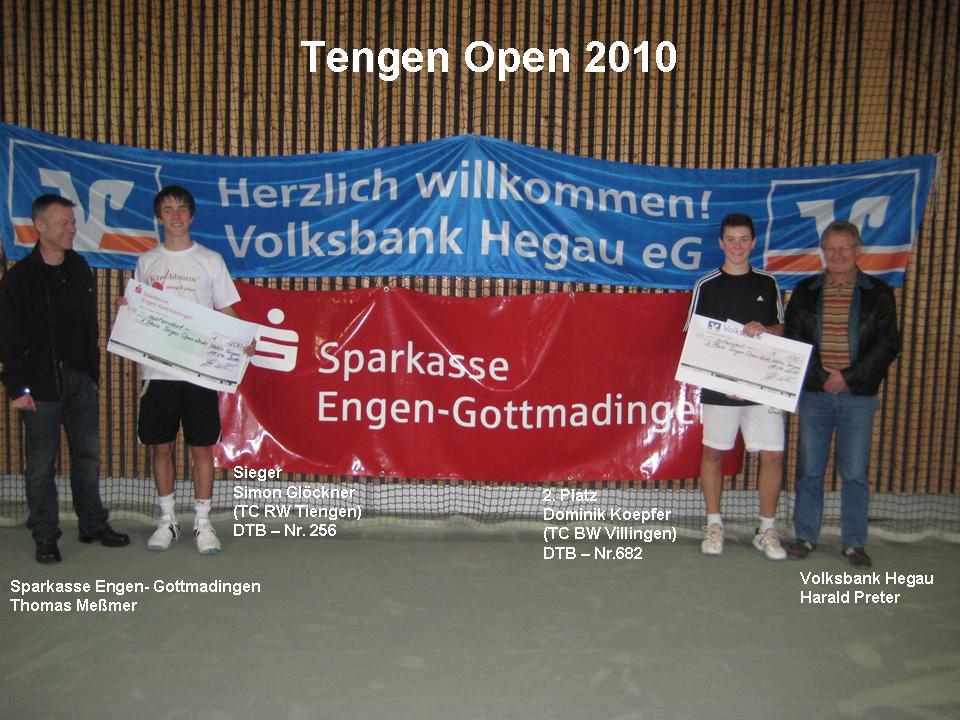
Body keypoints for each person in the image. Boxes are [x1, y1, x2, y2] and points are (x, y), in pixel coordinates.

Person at [0, 194, 130, 563]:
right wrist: (16, 387)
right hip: (39, 386)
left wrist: (92, 373)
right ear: (40, 226)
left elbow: (89, 325)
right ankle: (45, 535)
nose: (72, 229)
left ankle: (93, 524)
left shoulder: (79, 268)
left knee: (88, 455)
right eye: (64, 223)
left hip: (80, 381)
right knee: (41, 464)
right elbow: (8, 337)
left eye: (73, 222)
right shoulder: (19, 279)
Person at [130, 185, 248, 555]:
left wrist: (244, 338)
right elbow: (140, 313)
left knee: (201, 449)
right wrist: (127, 311)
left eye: (182, 208)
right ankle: (167, 520)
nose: (176, 215)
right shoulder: (147, 262)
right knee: (161, 448)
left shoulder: (210, 260)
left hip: (200, 373)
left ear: (192, 216)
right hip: (158, 373)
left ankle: (202, 522)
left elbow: (226, 309)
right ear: (159, 217)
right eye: (167, 209)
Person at [785, 220, 900, 567]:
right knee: (809, 470)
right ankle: (805, 536)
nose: (837, 255)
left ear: (857, 250)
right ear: (822, 251)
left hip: (858, 396)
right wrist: (822, 377)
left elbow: (887, 344)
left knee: (854, 473)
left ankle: (854, 543)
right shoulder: (805, 291)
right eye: (830, 248)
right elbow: (793, 340)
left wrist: (848, 377)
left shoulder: (879, 293)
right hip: (815, 394)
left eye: (844, 247)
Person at [686, 213, 787, 560]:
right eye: (731, 239)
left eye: (744, 239)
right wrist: (724, 380)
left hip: (763, 387)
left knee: (773, 455)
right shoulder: (706, 285)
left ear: (753, 243)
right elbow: (695, 337)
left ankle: (767, 529)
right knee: (713, 453)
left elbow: (781, 329)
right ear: (721, 243)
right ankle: (714, 524)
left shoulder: (768, 283)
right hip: (720, 389)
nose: (737, 246)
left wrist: (767, 330)